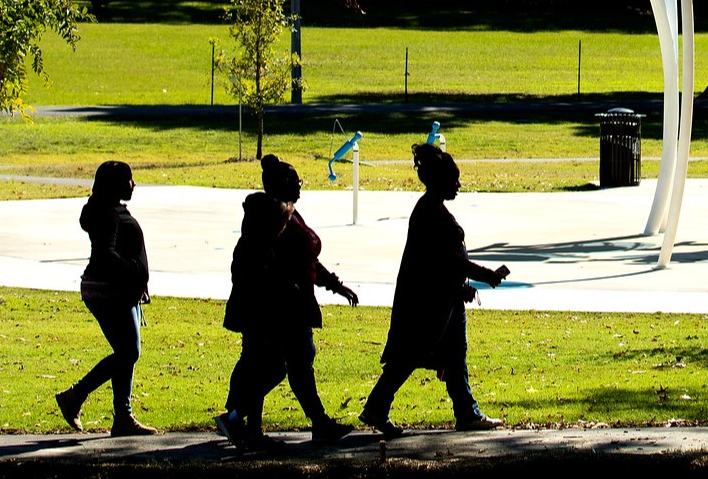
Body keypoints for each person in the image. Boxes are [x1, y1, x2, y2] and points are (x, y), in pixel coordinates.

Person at [359, 142, 510, 436]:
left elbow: (442, 263)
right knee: (410, 354)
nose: (458, 185)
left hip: (445, 299)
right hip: (428, 303)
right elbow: (449, 260)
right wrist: (486, 275)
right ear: (440, 181)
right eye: (453, 180)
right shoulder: (432, 213)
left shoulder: (430, 209)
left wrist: (461, 287)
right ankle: (376, 406)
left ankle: (467, 413)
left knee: (454, 354)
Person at [215, 155, 360, 449]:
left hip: (290, 304)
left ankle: (256, 425)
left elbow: (307, 260)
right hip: (281, 308)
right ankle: (239, 419)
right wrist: (288, 288)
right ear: (281, 185)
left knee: (286, 365)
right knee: (280, 365)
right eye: (295, 181)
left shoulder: (288, 214)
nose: (299, 186)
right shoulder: (271, 218)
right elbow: (266, 265)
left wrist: (334, 285)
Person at [56, 160, 157, 436]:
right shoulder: (108, 215)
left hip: (121, 291)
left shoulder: (111, 210)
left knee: (127, 353)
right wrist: (135, 272)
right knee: (128, 352)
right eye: (128, 179)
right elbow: (106, 256)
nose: (133, 184)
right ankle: (74, 397)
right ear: (115, 183)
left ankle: (123, 417)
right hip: (109, 291)